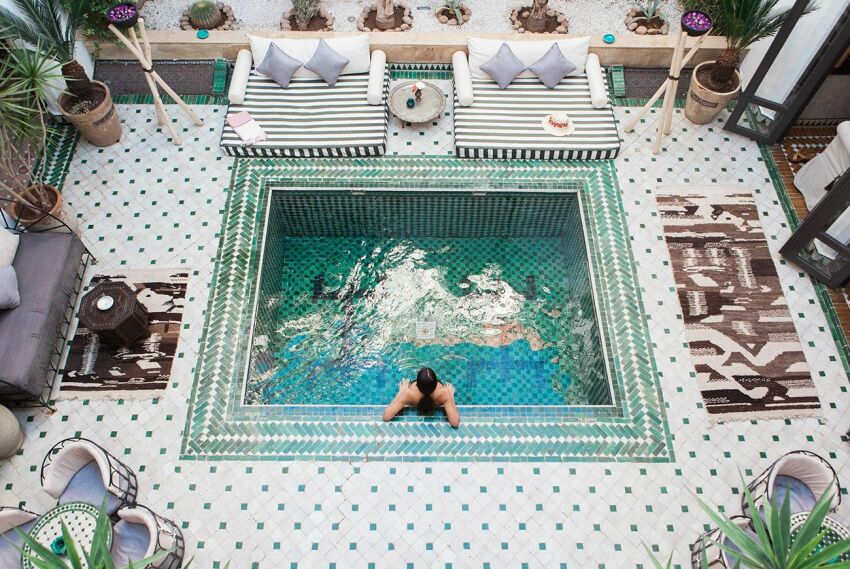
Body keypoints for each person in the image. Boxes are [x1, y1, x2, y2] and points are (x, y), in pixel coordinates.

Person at [382, 367, 460, 428]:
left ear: (417, 385)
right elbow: (455, 423)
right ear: (436, 384)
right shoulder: (444, 393)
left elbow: (386, 416)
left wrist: (401, 393)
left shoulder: (408, 394)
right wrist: (451, 397)